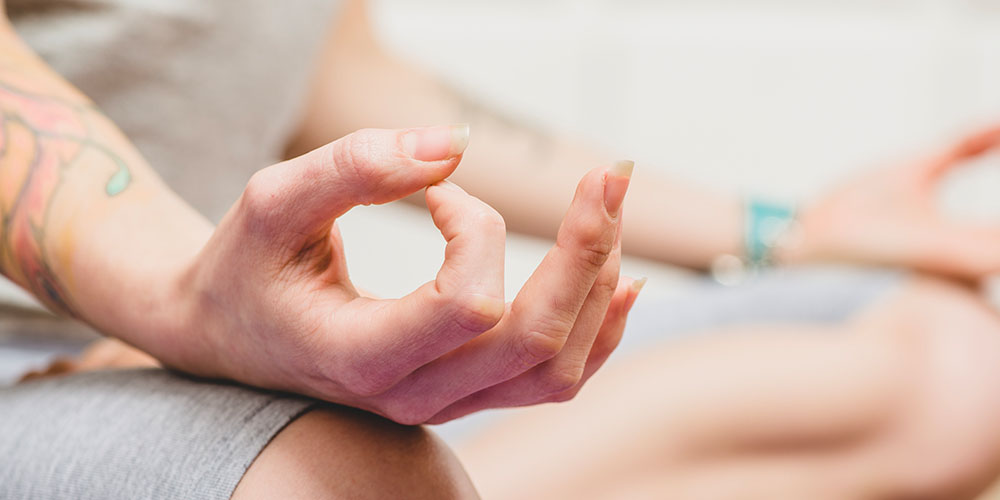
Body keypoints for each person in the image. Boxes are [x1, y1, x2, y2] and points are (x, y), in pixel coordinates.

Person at [3, 0, 1000, 499]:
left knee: (956, 365)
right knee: (342, 486)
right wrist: (183, 300)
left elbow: (331, 70)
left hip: (188, 325)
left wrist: (780, 231)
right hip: (33, 349)